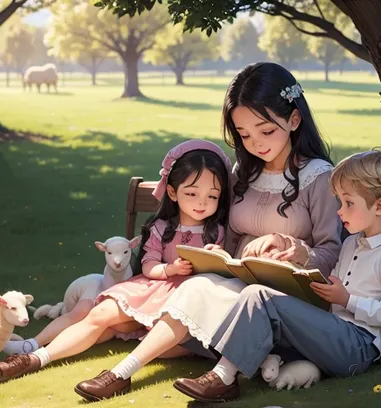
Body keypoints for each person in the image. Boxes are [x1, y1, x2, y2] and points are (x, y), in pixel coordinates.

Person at [69, 62, 343, 402]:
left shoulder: (318, 177)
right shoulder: (243, 172)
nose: (255, 143)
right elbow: (226, 232)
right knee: (198, 286)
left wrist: (298, 252)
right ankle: (121, 373)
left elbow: (333, 254)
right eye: (244, 134)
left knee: (216, 295)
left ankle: (223, 375)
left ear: (294, 120)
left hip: (289, 297)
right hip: (240, 281)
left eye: (266, 131)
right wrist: (218, 253)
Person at [173, 148, 381, 403]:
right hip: (331, 331)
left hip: (357, 347)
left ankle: (224, 378)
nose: (339, 211)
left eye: (348, 203)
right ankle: (277, 365)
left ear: (380, 206)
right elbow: (330, 290)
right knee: (250, 302)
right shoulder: (352, 243)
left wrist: (348, 301)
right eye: (340, 202)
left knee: (259, 297)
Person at [0, 139, 232, 385]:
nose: (202, 203)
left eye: (212, 196)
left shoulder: (217, 232)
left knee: (134, 333)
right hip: (151, 287)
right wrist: (170, 269)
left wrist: (214, 256)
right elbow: (148, 266)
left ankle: (87, 366)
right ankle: (36, 357)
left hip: (184, 300)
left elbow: (217, 274)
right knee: (99, 315)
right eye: (191, 193)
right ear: (172, 192)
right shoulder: (161, 228)